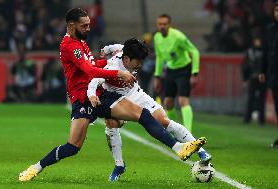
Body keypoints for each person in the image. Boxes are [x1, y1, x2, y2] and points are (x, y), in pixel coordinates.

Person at [18, 8, 206, 182]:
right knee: (72, 147)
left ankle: (178, 148)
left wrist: (110, 60)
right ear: (71, 25)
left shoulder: (81, 42)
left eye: (89, 24)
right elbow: (89, 71)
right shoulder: (69, 45)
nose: (88, 28)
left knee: (142, 114)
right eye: (84, 25)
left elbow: (95, 65)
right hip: (83, 98)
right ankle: (36, 167)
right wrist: (118, 72)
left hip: (102, 95)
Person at [87, 43, 212, 181]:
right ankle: (119, 165)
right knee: (111, 123)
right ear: (127, 59)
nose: (140, 65)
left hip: (135, 94)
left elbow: (119, 46)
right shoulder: (112, 67)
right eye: (138, 62)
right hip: (117, 99)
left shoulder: (125, 51)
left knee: (163, 120)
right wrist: (92, 95)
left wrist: (106, 49)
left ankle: (201, 152)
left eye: (141, 61)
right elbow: (94, 80)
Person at [153, 14, 200, 132]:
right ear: (157, 25)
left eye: (165, 24)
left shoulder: (178, 37)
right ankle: (174, 131)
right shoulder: (157, 38)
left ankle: (187, 133)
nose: (162, 26)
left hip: (184, 69)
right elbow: (159, 57)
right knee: (168, 103)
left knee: (183, 100)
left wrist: (194, 73)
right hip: (170, 70)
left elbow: (194, 52)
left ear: (169, 25)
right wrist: (157, 76)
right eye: (160, 24)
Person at [259, 1, 278, 147]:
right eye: (276, 10)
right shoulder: (270, 29)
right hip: (274, 73)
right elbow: (265, 52)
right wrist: (262, 70)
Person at [242, 37, 266, 125]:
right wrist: (245, 79)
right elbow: (245, 66)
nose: (258, 42)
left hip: (262, 78)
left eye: (259, 40)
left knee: (261, 99)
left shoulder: (264, 51)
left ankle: (261, 119)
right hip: (252, 77)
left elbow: (266, 65)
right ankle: (247, 118)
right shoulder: (250, 52)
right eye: (256, 40)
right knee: (250, 98)